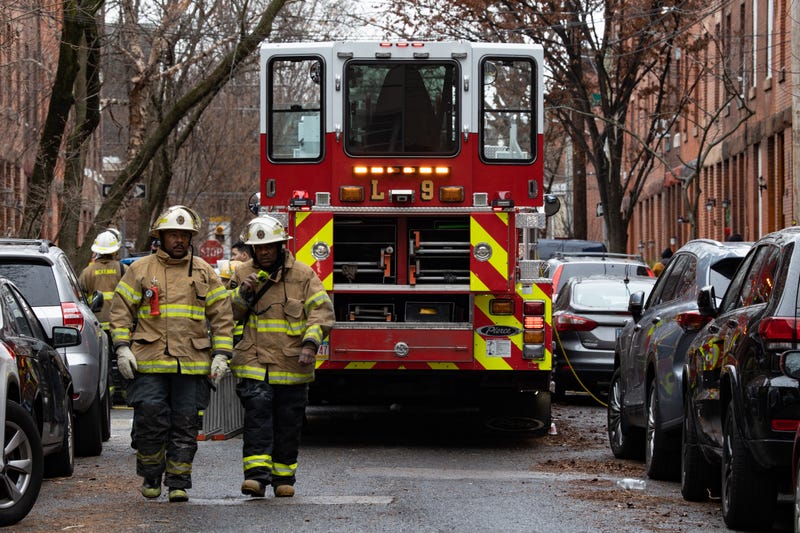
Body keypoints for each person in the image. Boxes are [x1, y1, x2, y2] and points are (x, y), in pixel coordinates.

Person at [109, 205, 234, 503]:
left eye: (184, 235)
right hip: (149, 361)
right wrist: (122, 347)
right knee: (151, 419)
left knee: (186, 422)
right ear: (161, 237)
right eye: (172, 234)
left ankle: (178, 481)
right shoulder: (140, 269)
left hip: (191, 364)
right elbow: (121, 311)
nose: (178, 240)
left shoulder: (204, 272)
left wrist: (221, 354)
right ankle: (152, 474)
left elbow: (222, 315)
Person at [229, 215, 334, 498]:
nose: (264, 253)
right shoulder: (240, 274)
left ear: (280, 247)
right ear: (251, 250)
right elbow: (226, 314)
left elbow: (321, 312)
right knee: (258, 417)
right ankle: (256, 478)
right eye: (258, 249)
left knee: (288, 421)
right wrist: (243, 294)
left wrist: (311, 344)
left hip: (292, 364)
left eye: (269, 247)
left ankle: (283, 478)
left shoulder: (303, 275)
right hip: (255, 362)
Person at [79, 228, 124, 332]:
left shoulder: (86, 272)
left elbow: (81, 302)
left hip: (96, 326)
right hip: (119, 326)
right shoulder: (123, 269)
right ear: (115, 250)